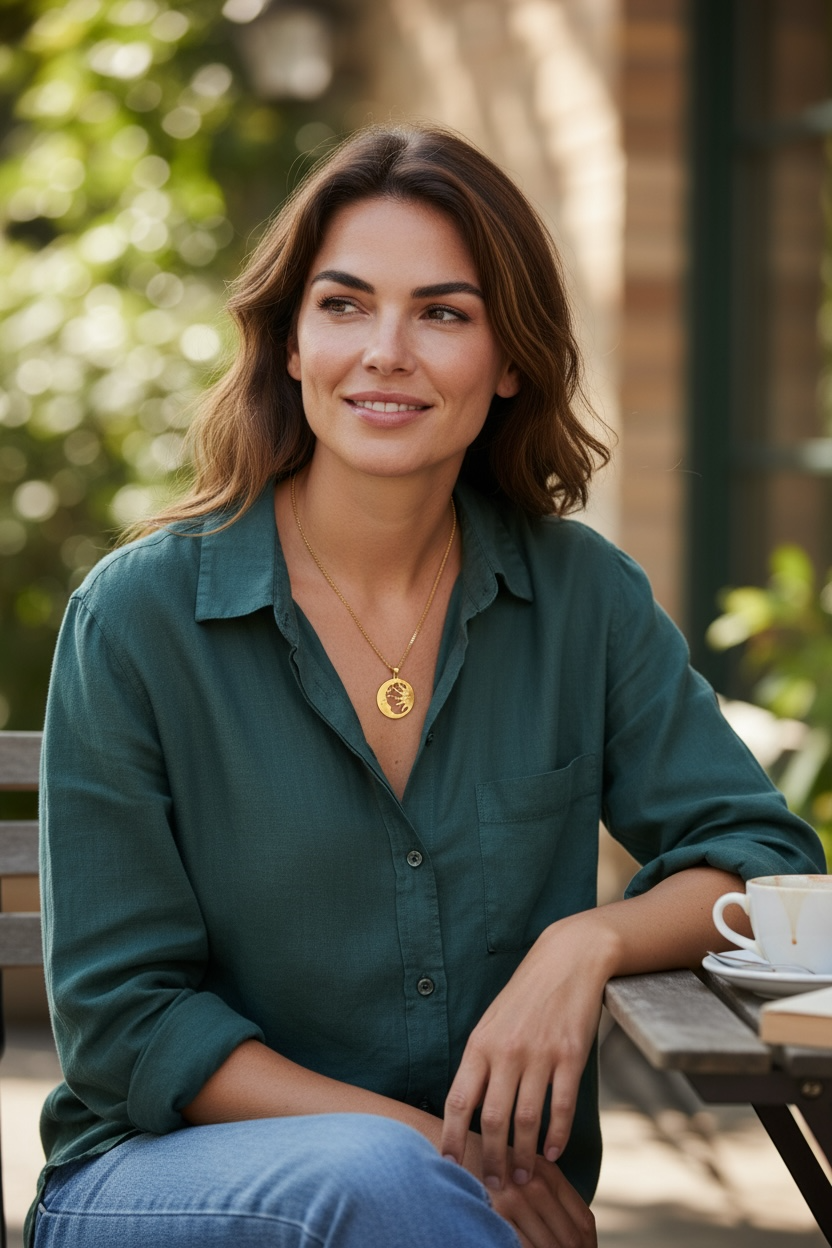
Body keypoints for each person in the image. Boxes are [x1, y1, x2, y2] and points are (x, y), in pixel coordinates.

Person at [31, 124, 824, 1248]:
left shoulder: (579, 601)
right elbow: (126, 1025)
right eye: (344, 305)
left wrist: (585, 944)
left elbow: (769, 865)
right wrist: (443, 1164)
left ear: (507, 361)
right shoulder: (139, 618)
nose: (385, 351)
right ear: (290, 344)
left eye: (442, 313)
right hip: (156, 1182)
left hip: (463, 1213)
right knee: (382, 1188)